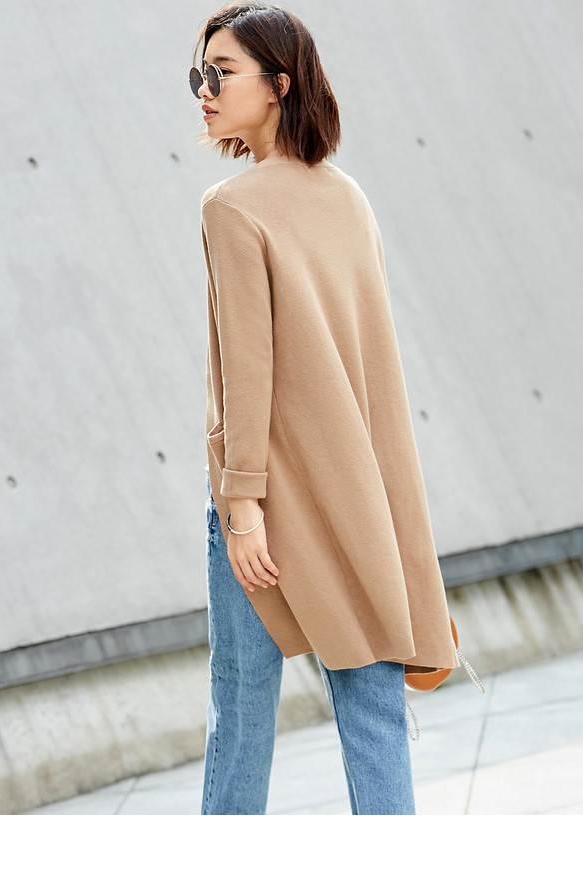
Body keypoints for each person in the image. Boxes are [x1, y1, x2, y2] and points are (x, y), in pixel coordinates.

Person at [191, 2, 460, 815]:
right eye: (199, 75)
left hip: (268, 499)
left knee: (243, 707)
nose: (204, 91)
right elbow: (376, 366)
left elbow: (247, 371)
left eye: (221, 73)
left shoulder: (231, 207)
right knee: (373, 703)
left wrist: (242, 505)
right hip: (358, 493)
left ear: (279, 84)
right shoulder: (349, 197)